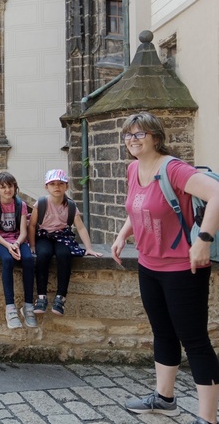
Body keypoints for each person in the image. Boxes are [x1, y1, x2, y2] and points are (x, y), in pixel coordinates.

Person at [111, 112, 219, 424]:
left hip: (183, 268)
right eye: (128, 134)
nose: (132, 140)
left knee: (195, 340)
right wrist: (122, 235)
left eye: (139, 133)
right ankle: (164, 398)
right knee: (163, 333)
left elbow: (216, 194)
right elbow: (138, 207)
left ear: (156, 137)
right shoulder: (133, 169)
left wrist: (204, 240)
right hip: (149, 265)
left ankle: (208, 418)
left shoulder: (173, 169)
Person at [28, 169, 101, 317]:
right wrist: (33, 245)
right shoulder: (41, 204)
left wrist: (89, 248)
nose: (57, 187)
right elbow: (32, 225)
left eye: (60, 184)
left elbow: (80, 227)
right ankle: (41, 297)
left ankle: (61, 297)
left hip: (63, 236)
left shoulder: (71, 206)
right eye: (52, 184)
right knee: (43, 254)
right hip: (44, 236)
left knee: (64, 254)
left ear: (66, 186)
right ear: (46, 187)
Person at [0, 171, 35, 329]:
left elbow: (24, 231)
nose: (7, 190)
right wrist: (8, 246)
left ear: (15, 187)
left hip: (17, 239)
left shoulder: (21, 205)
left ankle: (28, 306)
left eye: (10, 186)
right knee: (7, 260)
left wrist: (17, 244)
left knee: (28, 259)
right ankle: (10, 308)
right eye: (3, 187)